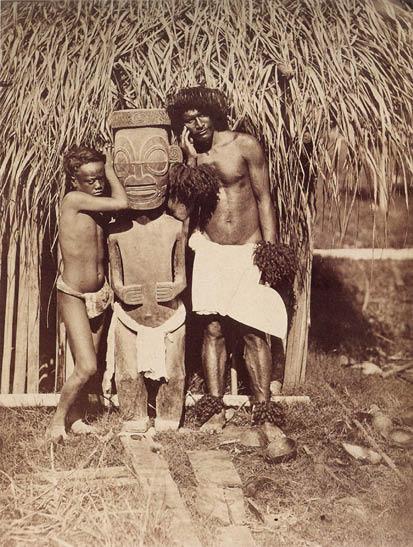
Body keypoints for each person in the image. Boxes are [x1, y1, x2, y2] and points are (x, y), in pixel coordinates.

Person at [166, 87, 288, 436]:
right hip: (211, 250)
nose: (197, 124)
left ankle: (264, 411)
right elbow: (182, 210)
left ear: (215, 112)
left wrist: (270, 252)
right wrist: (190, 162)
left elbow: (264, 199)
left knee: (253, 330)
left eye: (201, 115)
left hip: (248, 251)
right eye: (189, 120)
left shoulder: (245, 145)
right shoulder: (193, 157)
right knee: (213, 329)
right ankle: (214, 408)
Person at [47, 145, 128, 443]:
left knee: (91, 367)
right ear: (74, 181)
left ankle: (77, 418)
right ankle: (56, 423)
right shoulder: (73, 200)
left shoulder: (96, 209)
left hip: (100, 294)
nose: (97, 184)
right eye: (90, 179)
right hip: (75, 295)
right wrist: (110, 169)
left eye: (100, 178)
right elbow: (122, 202)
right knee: (87, 366)